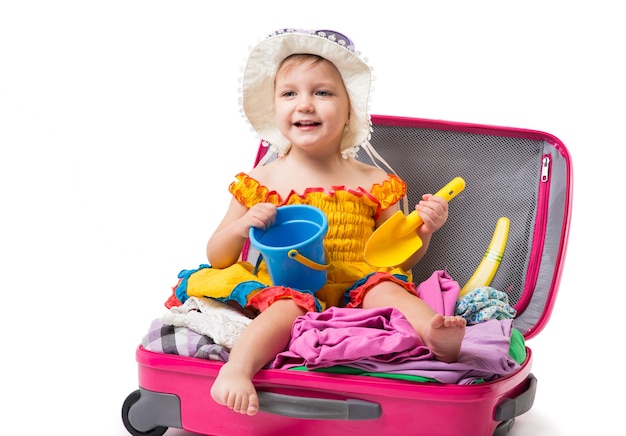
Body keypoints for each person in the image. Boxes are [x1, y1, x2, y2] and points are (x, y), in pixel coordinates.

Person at [170, 29, 466, 416]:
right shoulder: (260, 181)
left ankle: (435, 333)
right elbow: (217, 255)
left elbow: (398, 259)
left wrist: (423, 231)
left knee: (389, 290)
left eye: (323, 93)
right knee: (284, 309)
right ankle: (237, 369)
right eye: (289, 93)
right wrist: (242, 228)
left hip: (357, 280)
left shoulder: (374, 181)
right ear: (273, 109)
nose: (305, 105)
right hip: (285, 284)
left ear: (349, 111)